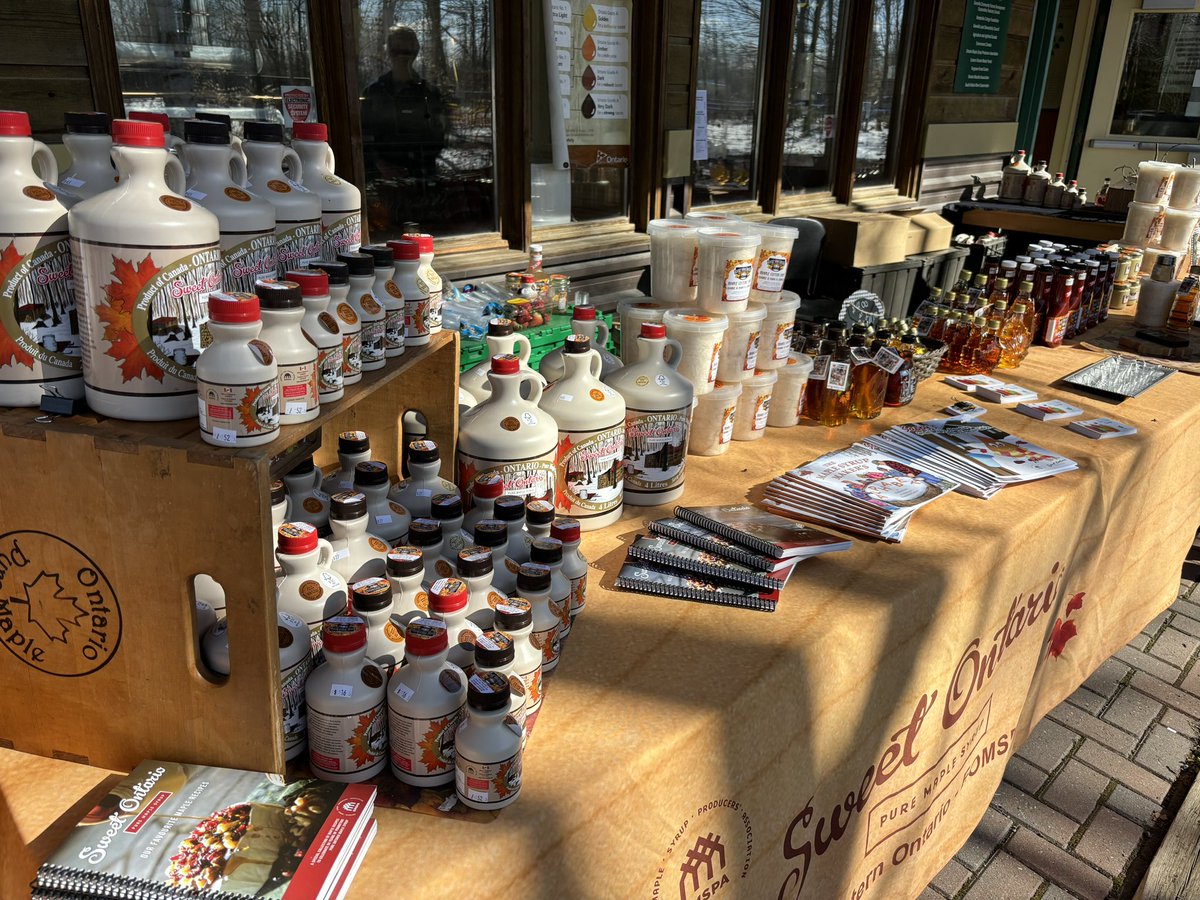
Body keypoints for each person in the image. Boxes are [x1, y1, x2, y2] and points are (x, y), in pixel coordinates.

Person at [361, 26, 448, 181]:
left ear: (415, 53)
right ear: (389, 52)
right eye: (397, 50)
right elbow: (362, 138)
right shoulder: (373, 94)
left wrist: (417, 165)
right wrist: (379, 164)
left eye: (408, 51)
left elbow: (439, 138)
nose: (402, 56)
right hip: (381, 182)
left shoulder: (430, 94)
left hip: (422, 180)